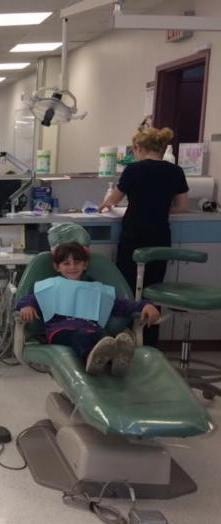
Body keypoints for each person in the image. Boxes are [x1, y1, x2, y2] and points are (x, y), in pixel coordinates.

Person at [98, 127, 189, 344]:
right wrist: (159, 208)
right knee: (153, 290)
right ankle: (149, 343)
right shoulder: (175, 171)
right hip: (159, 238)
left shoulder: (133, 170)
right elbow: (182, 206)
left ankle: (124, 340)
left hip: (134, 236)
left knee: (127, 289)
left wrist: (103, 205)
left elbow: (113, 201)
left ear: (138, 148)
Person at [16, 242, 160, 376]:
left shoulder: (95, 288)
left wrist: (144, 305)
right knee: (80, 336)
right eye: (66, 263)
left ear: (85, 265)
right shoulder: (51, 286)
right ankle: (90, 360)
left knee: (106, 340)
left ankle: (116, 361)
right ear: (57, 267)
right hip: (61, 330)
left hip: (93, 329)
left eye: (77, 262)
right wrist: (26, 307)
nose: (72, 267)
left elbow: (120, 304)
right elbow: (30, 299)